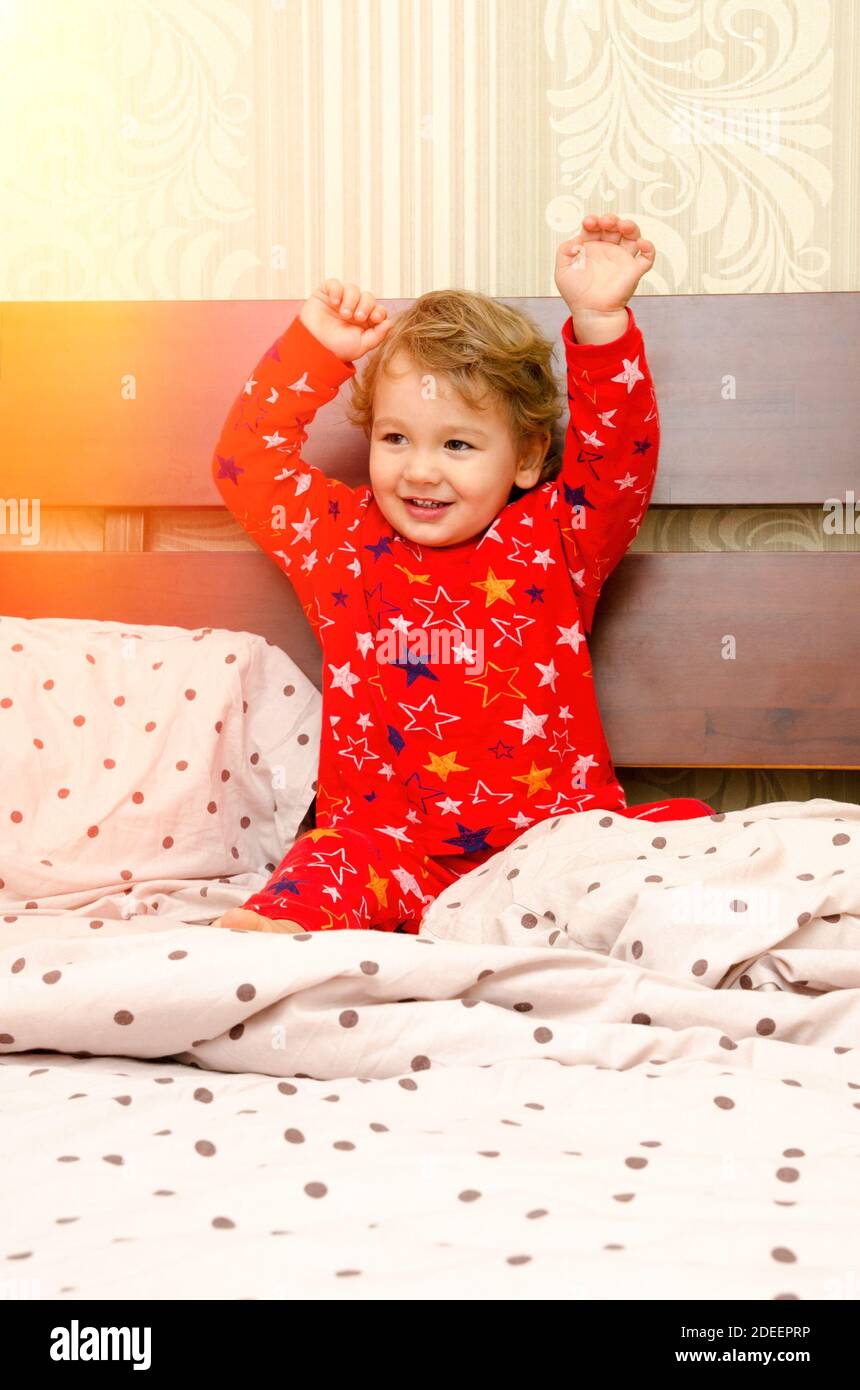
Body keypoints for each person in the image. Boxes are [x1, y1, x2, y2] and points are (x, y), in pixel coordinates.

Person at [209, 212, 713, 935]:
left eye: (457, 444)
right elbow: (248, 463)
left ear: (530, 457)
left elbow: (618, 462)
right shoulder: (339, 540)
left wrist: (600, 321)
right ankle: (263, 958)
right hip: (385, 852)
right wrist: (315, 350)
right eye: (395, 438)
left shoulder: (556, 536)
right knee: (319, 867)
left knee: (682, 850)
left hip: (549, 848)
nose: (420, 470)